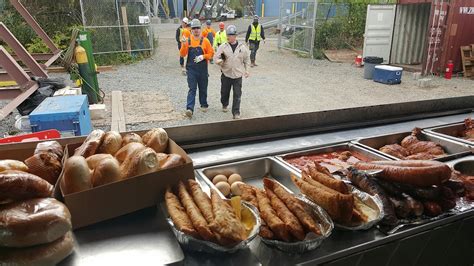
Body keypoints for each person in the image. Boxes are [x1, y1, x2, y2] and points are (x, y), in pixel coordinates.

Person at [214, 25, 250, 120]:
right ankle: (224, 104)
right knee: (224, 93)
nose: (228, 36)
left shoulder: (242, 48)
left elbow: (246, 60)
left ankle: (236, 113)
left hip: (237, 75)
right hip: (226, 74)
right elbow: (216, 58)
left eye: (230, 35)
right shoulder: (223, 47)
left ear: (235, 36)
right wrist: (219, 62)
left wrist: (247, 70)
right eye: (228, 35)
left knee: (237, 94)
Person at [179, 19, 214, 118]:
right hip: (191, 70)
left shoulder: (205, 41)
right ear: (191, 30)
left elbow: (211, 54)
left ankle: (203, 104)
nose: (196, 30)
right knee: (192, 89)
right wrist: (184, 45)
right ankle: (189, 108)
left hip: (203, 70)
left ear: (200, 29)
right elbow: (182, 54)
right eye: (194, 28)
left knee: (203, 88)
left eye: (198, 28)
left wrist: (203, 56)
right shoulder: (187, 40)